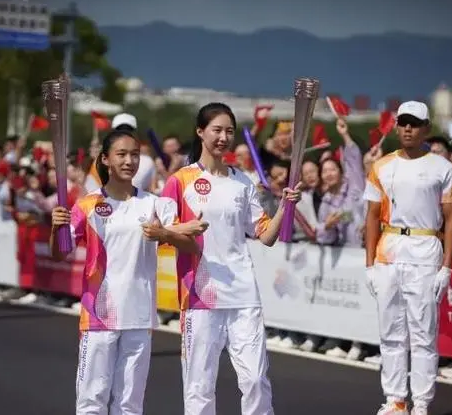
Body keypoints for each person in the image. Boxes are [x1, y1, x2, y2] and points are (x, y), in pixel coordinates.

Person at [50, 129, 205, 415]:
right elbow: (60, 252)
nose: (129, 161)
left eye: (135, 155)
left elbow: (192, 246)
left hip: (139, 315)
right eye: (121, 154)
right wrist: (56, 228)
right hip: (98, 315)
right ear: (106, 159)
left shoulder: (155, 204)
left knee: (130, 404)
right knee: (91, 400)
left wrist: (164, 232)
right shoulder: (88, 204)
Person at [162, 103, 302, 415]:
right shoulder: (179, 181)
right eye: (217, 130)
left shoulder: (243, 182)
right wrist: (186, 231)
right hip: (200, 295)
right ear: (200, 132)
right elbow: (162, 231)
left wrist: (285, 206)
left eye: (229, 131)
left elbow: (265, 236)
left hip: (242, 293)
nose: (224, 137)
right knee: (200, 384)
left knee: (255, 379)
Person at [363, 101, 452, 415]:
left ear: (426, 129)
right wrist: (368, 265)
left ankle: (420, 403)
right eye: (403, 122)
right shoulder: (381, 166)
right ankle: (395, 400)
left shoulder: (442, 168)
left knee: (423, 334)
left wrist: (447, 266)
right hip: (389, 251)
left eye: (415, 123)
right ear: (396, 126)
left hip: (425, 251)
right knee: (390, 332)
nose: (408, 128)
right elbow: (371, 216)